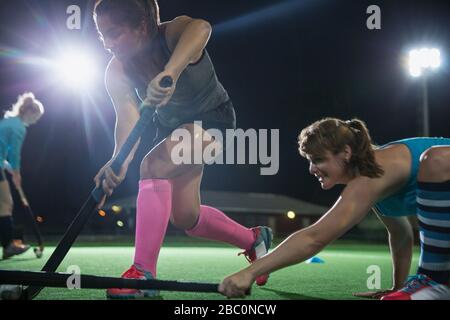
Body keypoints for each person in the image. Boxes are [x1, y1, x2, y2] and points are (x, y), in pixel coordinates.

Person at [92, 0, 273, 299]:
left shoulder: (173, 34)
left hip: (214, 121)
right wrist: (118, 161)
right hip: (178, 132)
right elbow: (127, 117)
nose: (108, 44)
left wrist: (171, 73)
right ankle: (253, 240)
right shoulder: (117, 69)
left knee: (153, 166)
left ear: (141, 26)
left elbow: (202, 27)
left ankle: (143, 276)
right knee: (186, 217)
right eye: (102, 36)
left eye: (114, 33)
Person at [219, 117, 450, 300]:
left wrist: (249, 273)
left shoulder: (370, 177)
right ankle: (432, 281)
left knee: (435, 159)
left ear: (346, 153)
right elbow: (401, 235)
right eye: (309, 160)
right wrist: (397, 288)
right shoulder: (375, 180)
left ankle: (435, 280)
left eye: (318, 159)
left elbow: (314, 238)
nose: (311, 169)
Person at [0, 92, 44, 259]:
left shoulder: (7, 121)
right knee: (6, 203)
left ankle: (7, 243)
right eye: (36, 117)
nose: (36, 121)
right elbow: (15, 154)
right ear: (30, 113)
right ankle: (8, 245)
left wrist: (8, 167)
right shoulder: (19, 127)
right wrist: (17, 173)